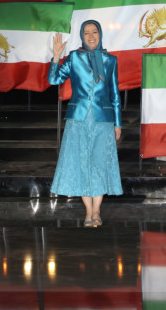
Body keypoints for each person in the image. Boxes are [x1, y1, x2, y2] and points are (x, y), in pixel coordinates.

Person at [48, 20, 123, 227]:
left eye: (95, 32)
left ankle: (97, 210)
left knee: (99, 163)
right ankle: (88, 212)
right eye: (87, 32)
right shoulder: (74, 57)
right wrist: (56, 57)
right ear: (82, 36)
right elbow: (54, 80)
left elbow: (115, 94)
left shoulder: (110, 60)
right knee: (83, 164)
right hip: (78, 119)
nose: (91, 36)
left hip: (103, 119)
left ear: (100, 34)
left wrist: (118, 124)